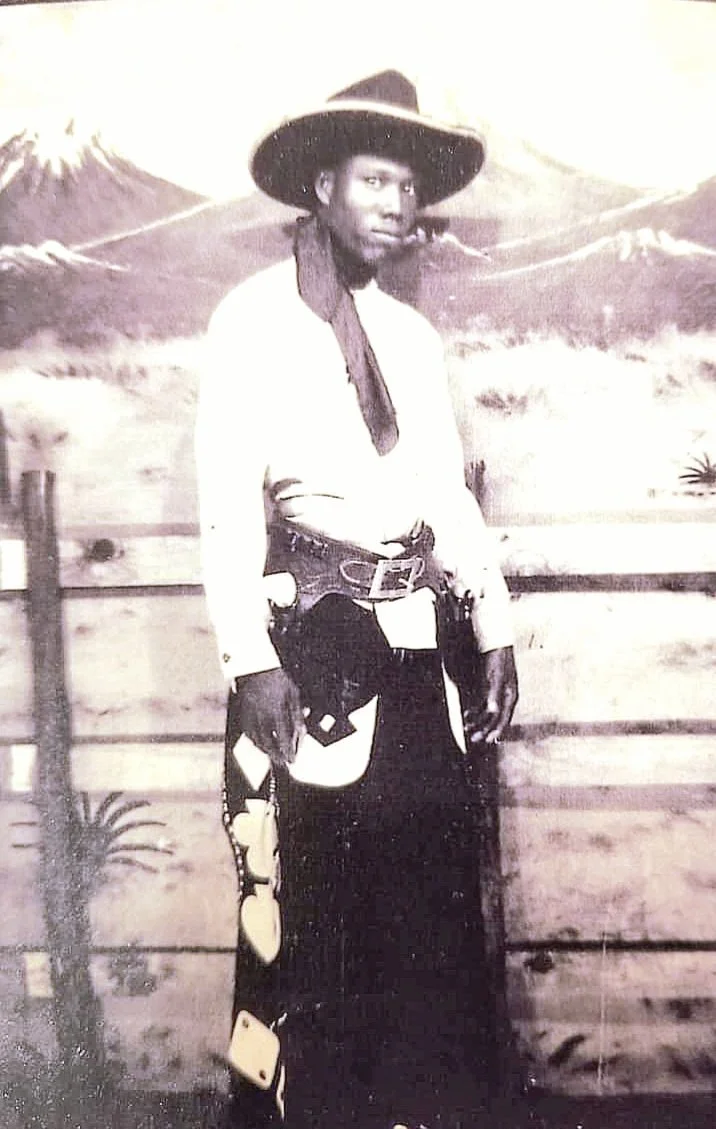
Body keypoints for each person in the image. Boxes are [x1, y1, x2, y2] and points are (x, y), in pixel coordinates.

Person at [196, 70, 518, 1129]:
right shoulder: (252, 322)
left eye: (409, 185)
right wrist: (250, 662)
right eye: (375, 179)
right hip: (315, 656)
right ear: (322, 186)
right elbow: (224, 504)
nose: (397, 201)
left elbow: (442, 496)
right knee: (318, 931)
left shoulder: (409, 338)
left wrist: (490, 616)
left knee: (426, 921)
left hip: (417, 652)